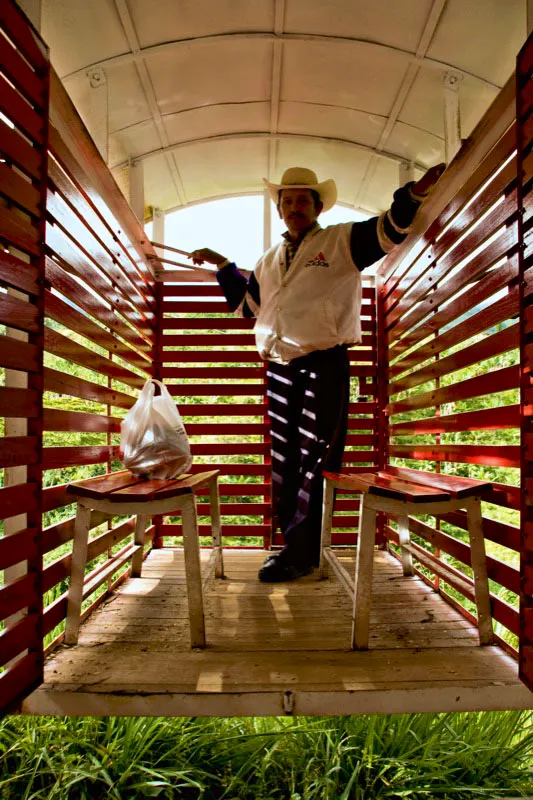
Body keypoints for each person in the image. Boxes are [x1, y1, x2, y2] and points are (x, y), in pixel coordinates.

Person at [190, 164, 445, 583]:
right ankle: (293, 545)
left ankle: (303, 552)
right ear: (279, 209)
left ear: (318, 206)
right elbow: (248, 309)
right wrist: (223, 265)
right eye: (287, 201)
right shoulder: (269, 261)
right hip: (278, 369)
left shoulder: (339, 240)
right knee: (285, 459)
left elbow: (389, 230)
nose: (295, 207)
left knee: (317, 457)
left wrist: (414, 194)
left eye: (303, 200)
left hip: (323, 364)